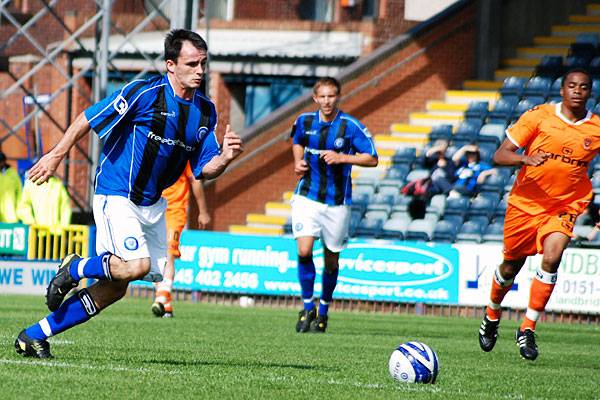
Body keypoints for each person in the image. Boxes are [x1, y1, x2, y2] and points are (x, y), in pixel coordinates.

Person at [14, 29, 243, 358]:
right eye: (192, 64)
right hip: (116, 192)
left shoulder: (205, 112)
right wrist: (55, 155)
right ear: (170, 65)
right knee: (136, 266)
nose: (200, 71)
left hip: (151, 204)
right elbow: (88, 118)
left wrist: (225, 158)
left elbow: (202, 170)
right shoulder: (145, 94)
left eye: (203, 63)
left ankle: (33, 335)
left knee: (117, 287)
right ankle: (76, 267)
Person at [478, 68, 600, 361]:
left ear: (589, 92)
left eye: (583, 87)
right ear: (562, 90)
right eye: (572, 85)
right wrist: (524, 158)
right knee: (510, 266)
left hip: (565, 205)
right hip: (525, 205)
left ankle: (527, 327)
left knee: (553, 254)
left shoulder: (595, 127)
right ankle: (492, 314)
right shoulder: (538, 117)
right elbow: (499, 154)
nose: (577, 91)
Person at [290, 77, 378, 333]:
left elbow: (372, 159)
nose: (327, 101)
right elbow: (296, 140)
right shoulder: (305, 122)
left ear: (338, 97)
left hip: (338, 202)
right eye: (323, 96)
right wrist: (297, 163)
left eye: (332, 96)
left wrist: (342, 157)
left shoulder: (351, 126)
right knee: (304, 251)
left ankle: (324, 311)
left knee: (331, 262)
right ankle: (307, 307)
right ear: (315, 98)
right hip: (307, 196)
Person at [151, 162, 210, 318]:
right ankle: (166, 306)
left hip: (174, 211)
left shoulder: (183, 151)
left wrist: (203, 211)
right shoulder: (154, 148)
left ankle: (161, 296)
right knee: (157, 256)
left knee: (169, 252)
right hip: (153, 209)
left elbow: (195, 180)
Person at [0, 152, 22, 223]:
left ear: (3, 162)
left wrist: (19, 211)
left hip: (11, 216)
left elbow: (19, 194)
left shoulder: (13, 174)